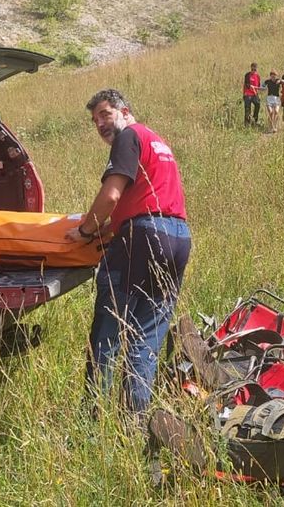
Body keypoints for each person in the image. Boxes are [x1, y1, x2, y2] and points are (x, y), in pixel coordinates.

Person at [68, 89, 192, 416]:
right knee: (146, 336)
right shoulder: (157, 142)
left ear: (124, 111)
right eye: (95, 120)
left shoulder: (129, 136)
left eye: (105, 114)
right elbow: (143, 204)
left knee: (107, 332)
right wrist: (109, 228)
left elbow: (111, 196)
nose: (100, 124)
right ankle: (132, 422)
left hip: (142, 238)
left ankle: (92, 420)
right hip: (177, 238)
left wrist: (85, 231)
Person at [242, 62, 262, 127]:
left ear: (256, 69)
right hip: (248, 94)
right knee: (247, 109)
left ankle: (255, 120)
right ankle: (247, 124)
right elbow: (247, 85)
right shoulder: (247, 75)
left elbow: (258, 86)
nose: (253, 71)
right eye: (252, 69)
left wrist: (258, 94)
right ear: (251, 68)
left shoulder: (258, 76)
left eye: (254, 70)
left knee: (258, 105)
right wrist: (244, 94)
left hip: (255, 94)